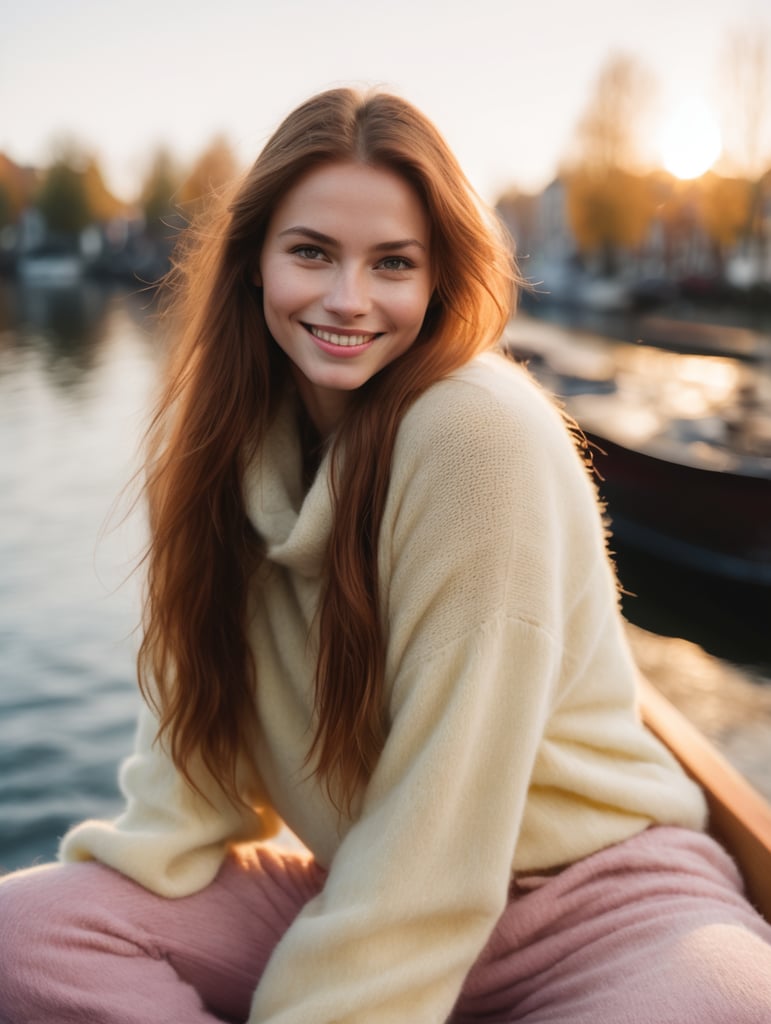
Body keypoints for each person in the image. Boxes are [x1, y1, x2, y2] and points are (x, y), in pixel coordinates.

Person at [1, 87, 770, 1024]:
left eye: (392, 263)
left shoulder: (477, 434)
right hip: (358, 880)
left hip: (599, 907)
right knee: (25, 939)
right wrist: (121, 903)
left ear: (438, 279)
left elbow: (443, 829)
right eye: (312, 252)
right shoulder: (217, 447)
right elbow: (187, 779)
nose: (347, 299)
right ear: (253, 262)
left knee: (732, 1005)